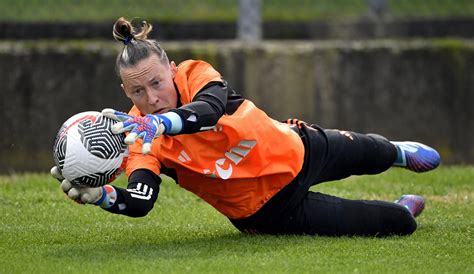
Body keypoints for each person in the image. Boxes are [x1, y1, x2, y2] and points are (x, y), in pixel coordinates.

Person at [51, 17, 441, 236]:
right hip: (270, 211)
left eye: (157, 83)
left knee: (374, 150)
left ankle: (399, 153)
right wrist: (101, 196)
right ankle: (398, 208)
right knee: (398, 224)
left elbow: (208, 109)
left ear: (172, 70)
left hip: (298, 147)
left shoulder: (195, 74)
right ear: (124, 91)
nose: (152, 97)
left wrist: (162, 124)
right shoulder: (138, 138)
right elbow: (139, 202)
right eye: (138, 91)